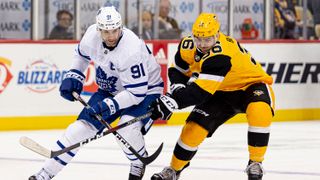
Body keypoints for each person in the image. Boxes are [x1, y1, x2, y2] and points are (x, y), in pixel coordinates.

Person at [29, 6, 163, 180]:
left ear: (120, 27)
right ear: (99, 29)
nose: (111, 36)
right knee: (76, 130)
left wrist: (109, 105)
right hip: (110, 90)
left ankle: (137, 162)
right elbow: (81, 55)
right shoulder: (91, 35)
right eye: (106, 31)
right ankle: (44, 174)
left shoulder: (131, 50)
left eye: (115, 30)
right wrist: (75, 74)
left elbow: (136, 92)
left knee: (127, 129)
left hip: (146, 91)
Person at [149, 13, 275, 180]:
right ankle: (174, 169)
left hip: (250, 86)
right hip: (219, 91)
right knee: (193, 129)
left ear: (217, 35)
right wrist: (178, 88)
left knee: (260, 111)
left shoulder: (221, 54)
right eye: (198, 39)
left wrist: (173, 101)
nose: (202, 44)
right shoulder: (187, 45)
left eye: (207, 39)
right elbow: (177, 70)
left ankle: (255, 162)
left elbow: (200, 93)